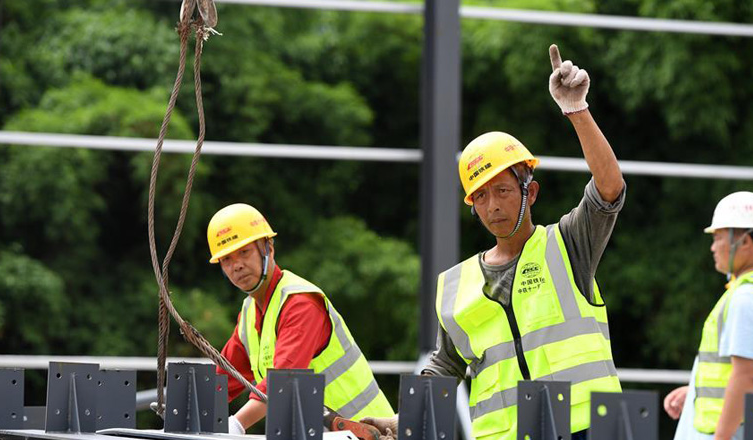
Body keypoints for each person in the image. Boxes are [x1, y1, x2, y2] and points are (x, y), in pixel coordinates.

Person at [362, 44, 624, 440]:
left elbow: (608, 189)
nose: (492, 206)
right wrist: (402, 421)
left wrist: (576, 110)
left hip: (586, 428)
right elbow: (444, 368)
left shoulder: (567, 244)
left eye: (502, 190)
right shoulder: (454, 285)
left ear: (529, 193)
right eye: (480, 196)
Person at [207, 203, 394, 434]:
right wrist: (189, 409)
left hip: (368, 434)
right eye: (226, 259)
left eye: (244, 252)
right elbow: (223, 379)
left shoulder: (300, 303)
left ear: (267, 248)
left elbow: (283, 380)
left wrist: (237, 423)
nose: (237, 266)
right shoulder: (250, 313)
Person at [664, 191, 753, 440]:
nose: (713, 248)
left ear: (745, 241)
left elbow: (747, 375)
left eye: (718, 238)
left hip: (737, 432)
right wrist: (696, 392)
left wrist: (722, 437)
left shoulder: (750, 296)